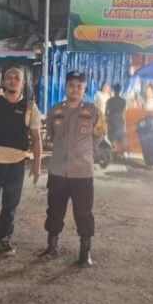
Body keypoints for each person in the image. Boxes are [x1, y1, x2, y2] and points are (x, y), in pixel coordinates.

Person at [0, 66, 42, 255]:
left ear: (23, 83)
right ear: (3, 82)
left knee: (10, 205)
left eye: (17, 78)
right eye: (9, 77)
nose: (13, 80)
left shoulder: (30, 107)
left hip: (16, 165)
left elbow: (36, 138)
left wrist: (37, 164)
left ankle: (3, 239)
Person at [40, 71, 107, 267]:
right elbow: (51, 134)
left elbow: (99, 135)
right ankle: (52, 247)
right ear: (65, 87)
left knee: (83, 213)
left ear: (84, 89)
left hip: (82, 173)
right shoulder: (54, 110)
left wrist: (85, 152)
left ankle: (85, 252)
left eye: (79, 86)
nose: (75, 89)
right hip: (58, 171)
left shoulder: (93, 111)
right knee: (54, 211)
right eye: (71, 85)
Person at [106, 83, 128, 153]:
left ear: (114, 90)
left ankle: (114, 150)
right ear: (120, 90)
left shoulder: (109, 100)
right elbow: (123, 113)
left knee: (111, 138)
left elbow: (106, 113)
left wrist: (108, 120)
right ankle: (120, 153)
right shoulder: (123, 101)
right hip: (119, 122)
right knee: (120, 139)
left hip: (111, 122)